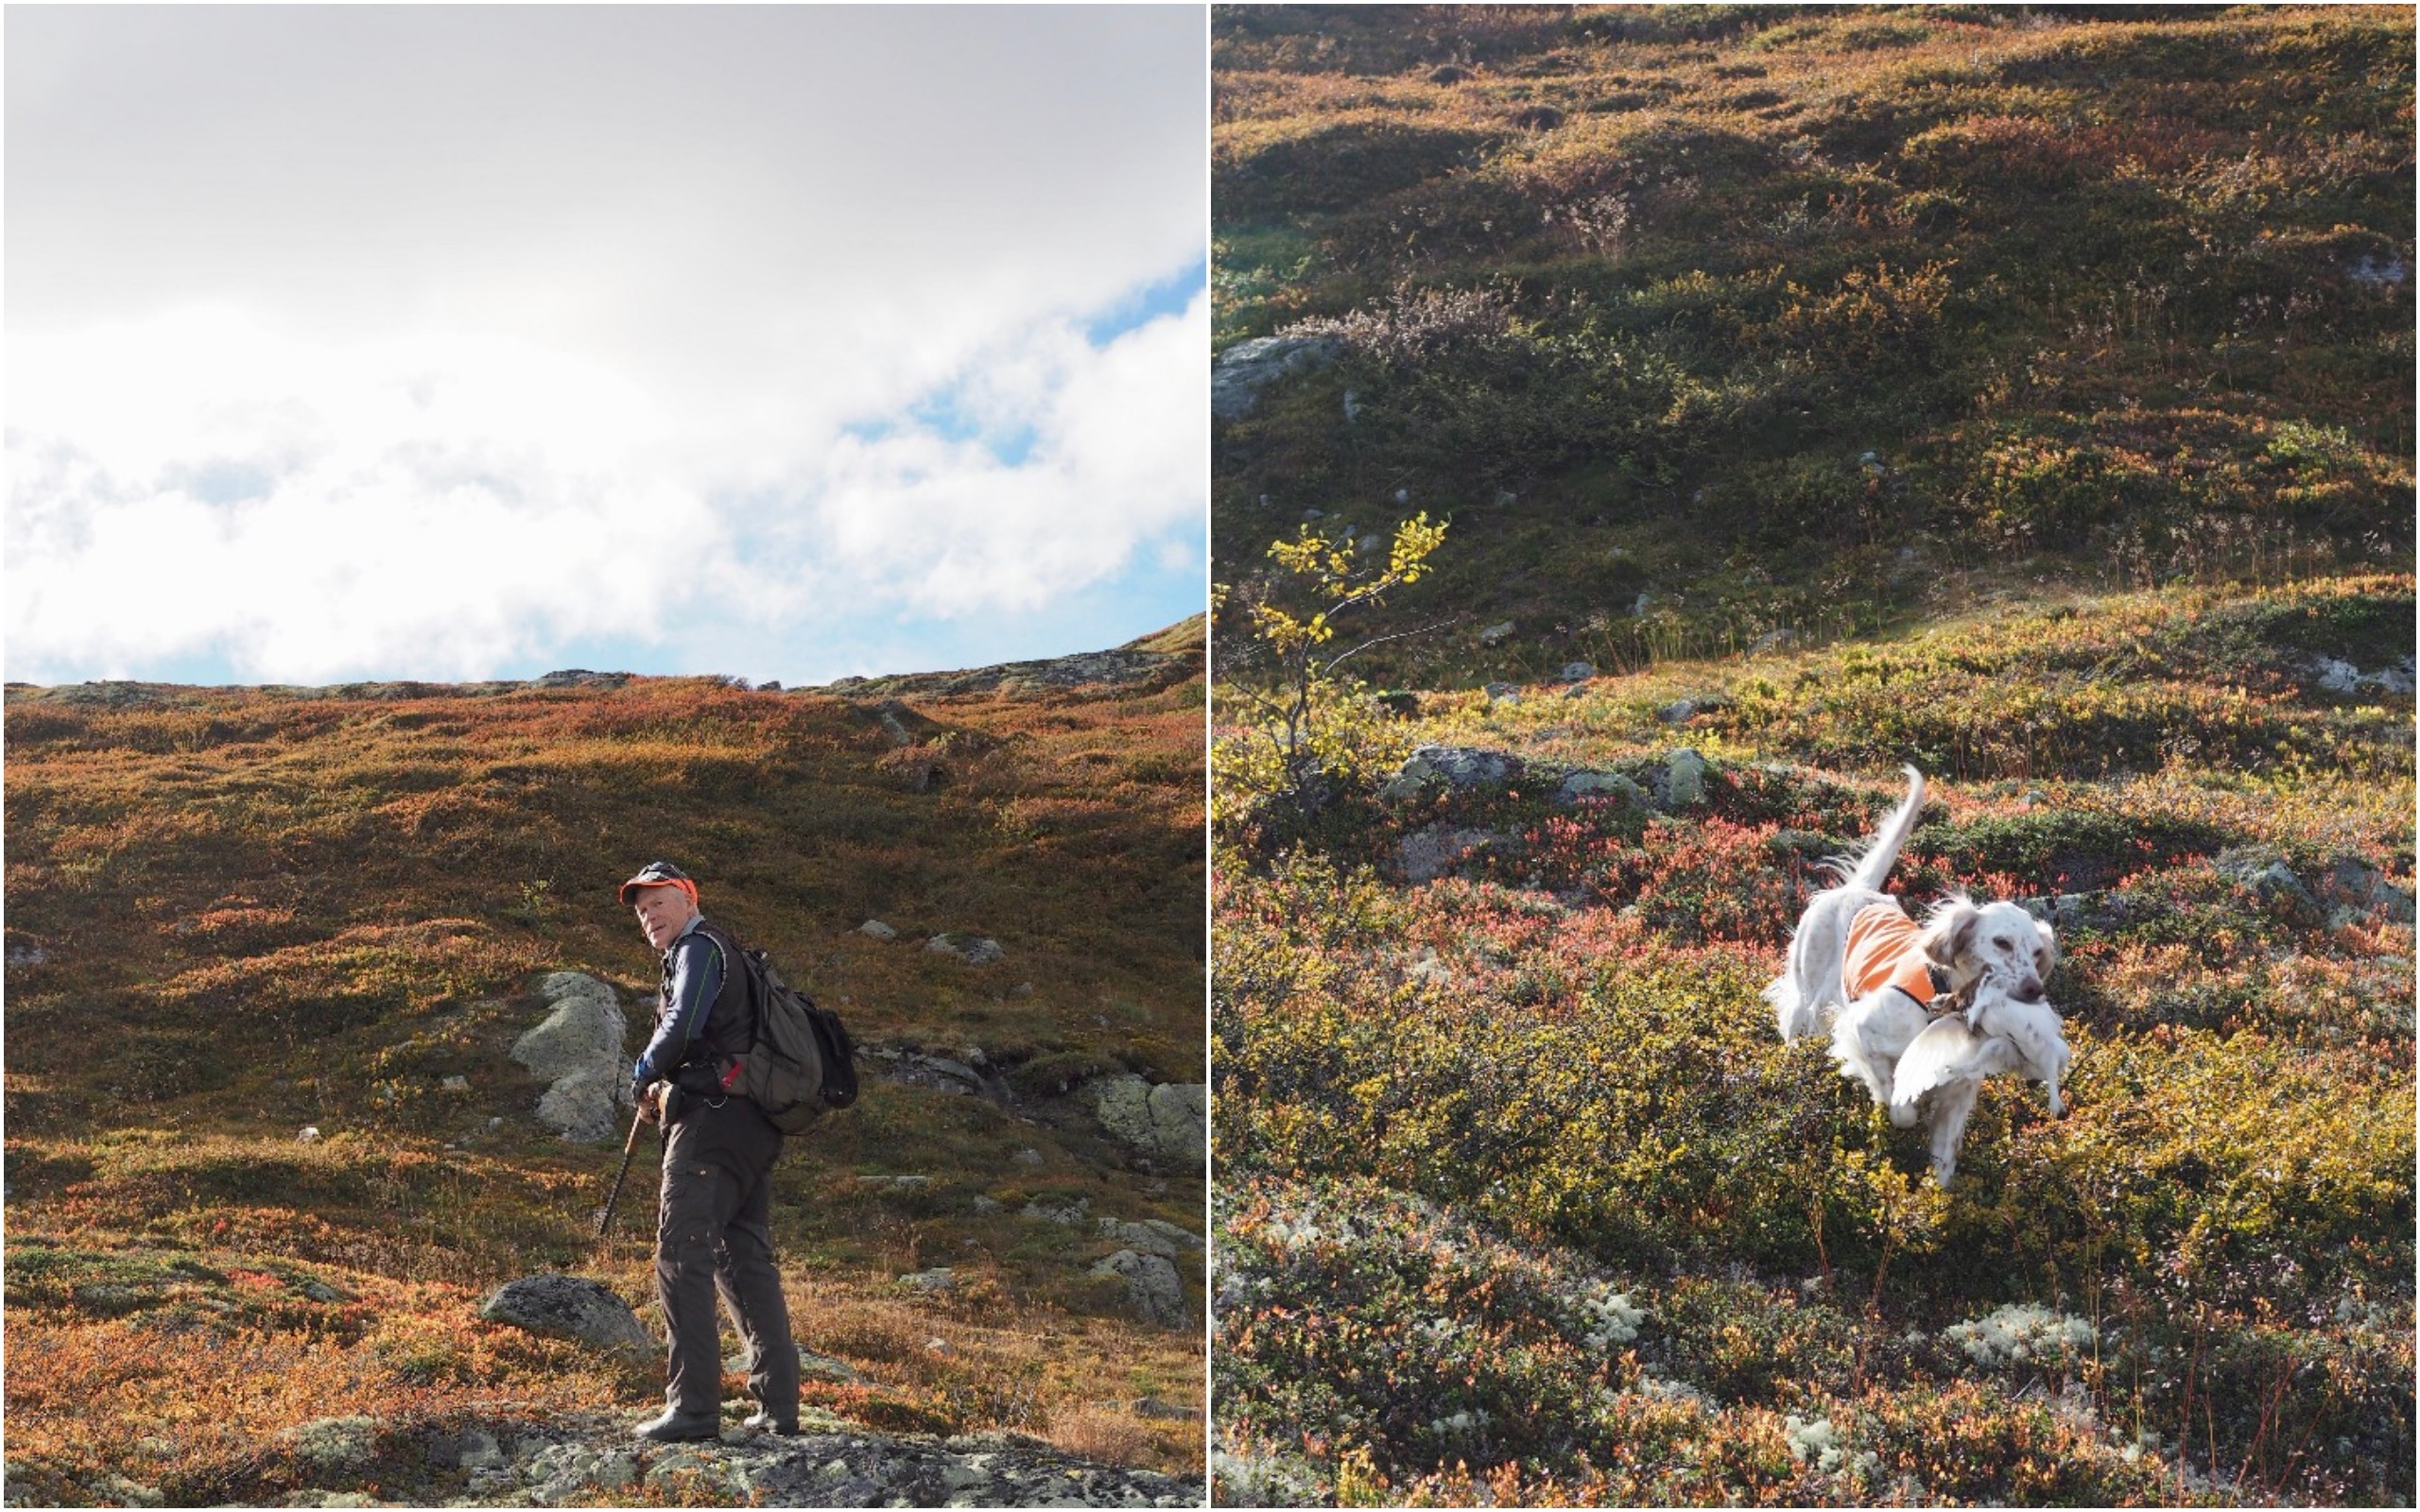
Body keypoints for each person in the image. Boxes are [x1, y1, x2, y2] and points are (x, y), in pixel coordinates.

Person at [618, 859, 801, 1442]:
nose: (649, 915)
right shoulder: (729, 951)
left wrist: (643, 1072)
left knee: (681, 1254)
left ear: (688, 898)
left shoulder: (699, 948)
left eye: (659, 902)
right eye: (642, 910)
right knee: (741, 1257)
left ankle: (694, 1409)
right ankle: (778, 1407)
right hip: (752, 1125)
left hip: (711, 1125)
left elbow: (683, 1022)